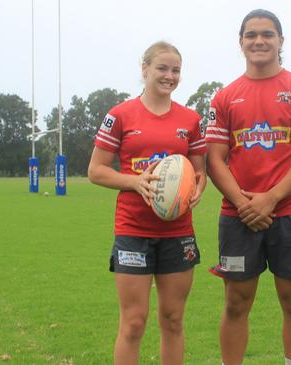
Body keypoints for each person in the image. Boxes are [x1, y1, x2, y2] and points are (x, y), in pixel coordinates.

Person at [205, 9, 291, 365]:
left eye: (267, 34)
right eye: (251, 34)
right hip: (238, 215)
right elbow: (215, 159)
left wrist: (270, 199)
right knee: (235, 302)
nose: (259, 41)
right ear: (241, 43)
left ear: (280, 41)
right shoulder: (224, 97)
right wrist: (245, 204)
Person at [87, 41, 206, 365]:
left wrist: (197, 187)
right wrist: (134, 182)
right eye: (162, 68)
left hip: (177, 232)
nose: (170, 76)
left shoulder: (190, 120)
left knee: (173, 320)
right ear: (145, 69)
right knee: (134, 322)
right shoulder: (120, 115)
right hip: (133, 231)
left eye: (176, 70)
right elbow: (95, 171)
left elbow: (199, 171)